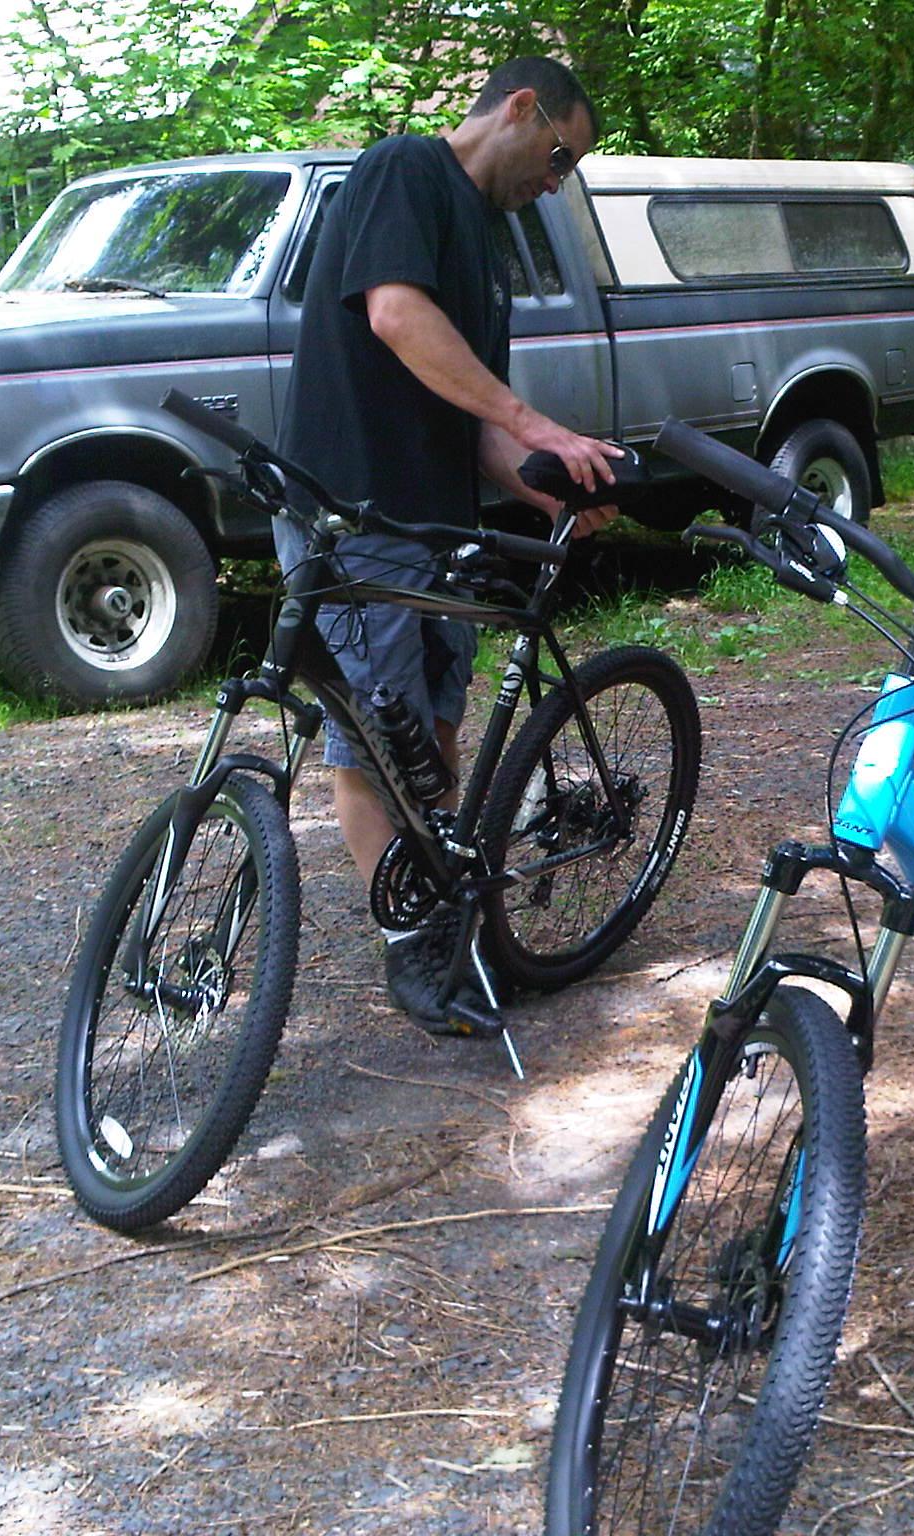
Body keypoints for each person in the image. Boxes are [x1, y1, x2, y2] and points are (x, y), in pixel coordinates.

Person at [277, 56, 622, 1033]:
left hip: (435, 527)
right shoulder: (403, 172)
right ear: (519, 110)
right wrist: (537, 423)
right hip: (354, 510)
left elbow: (464, 416)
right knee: (371, 741)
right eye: (559, 156)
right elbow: (394, 316)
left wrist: (539, 483)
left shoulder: (488, 243)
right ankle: (415, 948)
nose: (555, 184)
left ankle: (438, 904)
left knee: (429, 734)